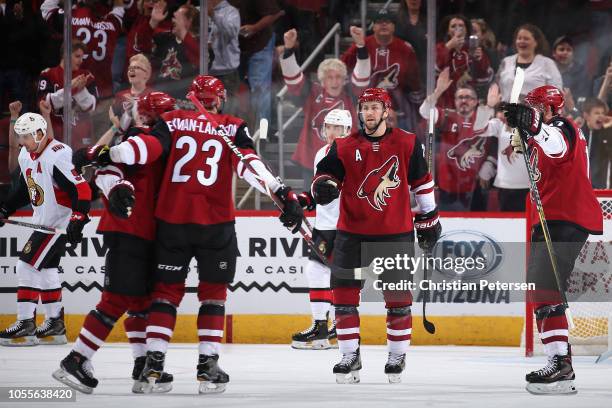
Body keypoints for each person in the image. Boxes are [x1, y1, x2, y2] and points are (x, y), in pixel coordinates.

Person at [84, 75, 303, 394]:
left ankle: (154, 364)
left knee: (165, 294)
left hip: (172, 221)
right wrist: (279, 190)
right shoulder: (233, 125)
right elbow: (248, 165)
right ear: (220, 99)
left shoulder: (173, 121)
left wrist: (109, 154)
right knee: (213, 294)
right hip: (216, 223)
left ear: (192, 97)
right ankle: (207, 365)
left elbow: (146, 149)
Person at [312, 88, 441, 384]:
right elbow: (324, 175)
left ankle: (396, 355)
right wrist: (323, 185)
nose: (368, 113)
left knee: (398, 300)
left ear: (386, 111)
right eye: (364, 108)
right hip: (351, 235)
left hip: (394, 235)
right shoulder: (343, 145)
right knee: (344, 299)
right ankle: (349, 355)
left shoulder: (407, 142)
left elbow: (422, 183)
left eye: (374, 107)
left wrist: (429, 218)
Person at [52, 92, 176, 395]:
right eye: (168, 112)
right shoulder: (142, 135)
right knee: (115, 300)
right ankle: (76, 359)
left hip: (142, 231)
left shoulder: (152, 138)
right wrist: (115, 181)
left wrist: (99, 156)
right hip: (129, 228)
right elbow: (113, 168)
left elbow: (107, 166)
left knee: (140, 303)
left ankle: (141, 364)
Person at [500, 85, 603, 394]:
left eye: (534, 107)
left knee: (543, 285)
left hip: (567, 215)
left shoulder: (563, 126)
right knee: (542, 287)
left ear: (546, 108)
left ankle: (559, 364)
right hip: (556, 217)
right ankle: (561, 363)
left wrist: (534, 130)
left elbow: (557, 146)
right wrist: (527, 139)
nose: (529, 111)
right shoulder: (544, 133)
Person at [0, 100, 91, 346]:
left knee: (26, 267)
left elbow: (80, 189)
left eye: (26, 137)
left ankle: (26, 324)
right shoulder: (26, 154)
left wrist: (78, 218)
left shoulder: (58, 154)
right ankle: (55, 324)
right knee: (48, 270)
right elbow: (25, 188)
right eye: (20, 137)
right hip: (44, 222)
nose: (22, 142)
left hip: (55, 224)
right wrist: (6, 206)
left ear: (40, 133)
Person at [290, 108, 352, 350]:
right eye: (329, 127)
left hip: (346, 226)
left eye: (338, 127)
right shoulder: (321, 154)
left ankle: (331, 328)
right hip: (324, 225)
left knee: (337, 277)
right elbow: (319, 191)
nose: (332, 132)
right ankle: (325, 327)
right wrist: (303, 200)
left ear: (347, 130)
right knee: (317, 271)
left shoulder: (354, 154)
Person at [281, 27, 369, 187]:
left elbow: (362, 77)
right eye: (330, 77)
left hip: (346, 156)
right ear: (322, 80)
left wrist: (361, 47)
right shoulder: (312, 93)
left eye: (338, 77)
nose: (335, 82)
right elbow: (293, 79)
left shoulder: (351, 94)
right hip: (312, 157)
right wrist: (288, 49)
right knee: (314, 200)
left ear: (344, 80)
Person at [418, 67, 496, 211]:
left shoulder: (484, 119)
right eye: (460, 97)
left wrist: (490, 164)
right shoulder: (447, 116)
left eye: (468, 98)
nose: (464, 101)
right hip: (448, 185)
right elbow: (424, 112)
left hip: (476, 185)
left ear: (476, 101)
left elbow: (495, 145)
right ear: (454, 101)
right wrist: (438, 92)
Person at [342, 9, 422, 131]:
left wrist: (416, 112)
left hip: (397, 114)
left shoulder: (405, 49)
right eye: (379, 22)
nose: (384, 25)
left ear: (394, 27)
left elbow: (414, 83)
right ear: (373, 27)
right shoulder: (362, 44)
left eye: (388, 22)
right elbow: (341, 68)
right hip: (366, 111)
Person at [41, 0, 125, 99]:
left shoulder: (71, 17)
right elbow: (119, 8)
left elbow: (46, 8)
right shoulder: (113, 23)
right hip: (104, 90)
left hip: (75, 88)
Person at [38, 40, 98, 150]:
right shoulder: (48, 74)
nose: (81, 61)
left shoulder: (86, 75)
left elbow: (92, 107)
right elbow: (44, 103)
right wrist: (71, 88)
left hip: (81, 136)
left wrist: (80, 91)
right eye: (77, 56)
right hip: (55, 134)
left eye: (82, 57)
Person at [237, 0, 282, 124]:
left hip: (260, 43)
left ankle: (261, 134)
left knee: (260, 88)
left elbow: (275, 13)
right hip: (234, 46)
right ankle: (234, 130)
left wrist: (255, 27)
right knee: (235, 88)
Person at [435, 14, 493, 109]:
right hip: (446, 103)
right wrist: (448, 47)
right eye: (453, 26)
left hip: (469, 104)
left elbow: (485, 78)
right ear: (448, 31)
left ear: (466, 30)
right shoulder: (440, 47)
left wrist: (479, 60)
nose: (458, 29)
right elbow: (434, 69)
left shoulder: (473, 49)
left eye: (461, 26)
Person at [496, 24, 562, 103]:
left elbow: (556, 93)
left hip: (536, 113)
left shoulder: (547, 63)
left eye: (526, 39)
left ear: (536, 43)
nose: (521, 41)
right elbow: (496, 88)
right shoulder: (506, 61)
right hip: (505, 112)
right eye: (519, 38)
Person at [112, 53, 154, 132]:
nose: (131, 70)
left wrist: (135, 106)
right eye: (130, 68)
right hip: (124, 142)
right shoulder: (120, 96)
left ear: (146, 74)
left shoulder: (153, 96)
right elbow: (114, 130)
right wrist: (127, 114)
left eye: (136, 67)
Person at [581, 98, 612, 189]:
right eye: (597, 113)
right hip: (581, 189)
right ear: (586, 116)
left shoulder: (606, 134)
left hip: (602, 190)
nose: (601, 116)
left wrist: (607, 131)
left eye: (603, 113)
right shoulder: (579, 134)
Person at [551, 36, 590, 104]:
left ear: (573, 54)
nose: (565, 52)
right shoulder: (547, 70)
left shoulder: (581, 72)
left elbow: (583, 97)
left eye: (569, 50)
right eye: (561, 49)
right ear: (554, 53)